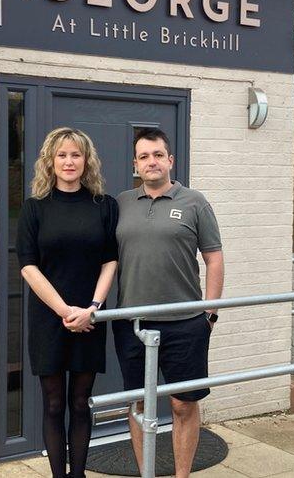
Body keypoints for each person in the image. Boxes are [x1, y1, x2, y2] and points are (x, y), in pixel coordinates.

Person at [113, 127, 224, 478]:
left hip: (185, 322)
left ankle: (181, 475)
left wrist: (210, 313)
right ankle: (146, 473)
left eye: (158, 155)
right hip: (133, 322)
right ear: (136, 164)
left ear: (170, 160)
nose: (152, 162)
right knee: (139, 403)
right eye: (144, 156)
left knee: (182, 404)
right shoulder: (121, 204)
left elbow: (214, 258)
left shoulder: (195, 202)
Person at [16, 127, 119, 478]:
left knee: (80, 403)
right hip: (50, 320)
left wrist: (92, 307)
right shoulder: (34, 209)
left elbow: (110, 261)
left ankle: (79, 476)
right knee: (54, 403)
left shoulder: (104, 206)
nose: (69, 161)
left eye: (76, 154)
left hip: (89, 316)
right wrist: (65, 311)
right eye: (62, 155)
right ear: (51, 161)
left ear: (86, 160)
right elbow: (28, 267)